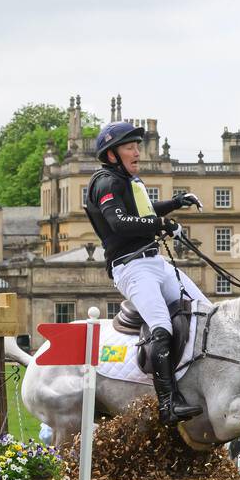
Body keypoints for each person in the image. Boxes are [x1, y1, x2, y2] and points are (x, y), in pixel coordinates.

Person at [83, 121, 207, 424]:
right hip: (132, 267)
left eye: (138, 145)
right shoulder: (105, 183)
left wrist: (175, 203)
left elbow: (144, 211)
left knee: (205, 310)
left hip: (154, 262)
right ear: (112, 154)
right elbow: (120, 223)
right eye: (130, 147)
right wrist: (161, 225)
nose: (138, 152)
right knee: (161, 327)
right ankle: (168, 403)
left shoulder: (125, 180)